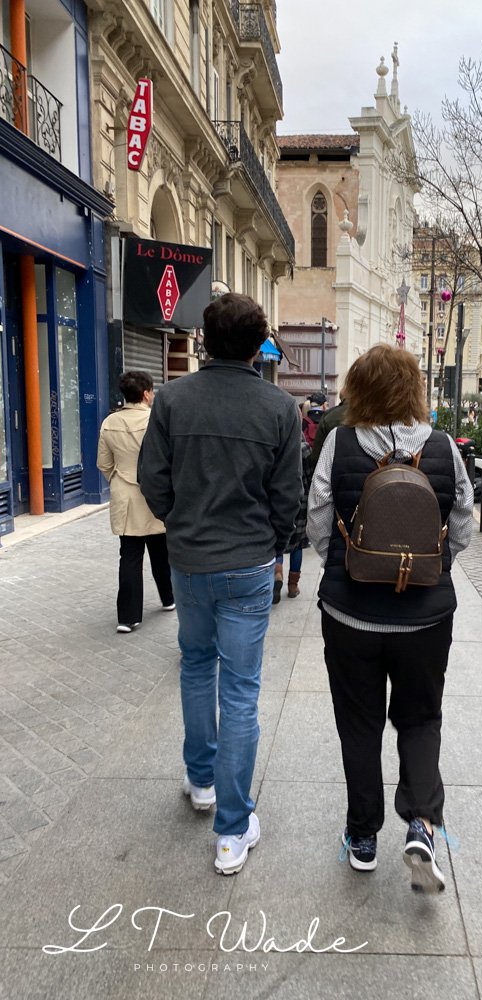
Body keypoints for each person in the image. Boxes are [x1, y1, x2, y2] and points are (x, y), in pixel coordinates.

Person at [139, 293, 302, 876]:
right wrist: (273, 544)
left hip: (191, 561)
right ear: (260, 346)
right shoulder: (279, 408)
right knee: (240, 690)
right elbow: (289, 497)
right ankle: (231, 830)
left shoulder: (174, 400)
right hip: (248, 563)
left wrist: (180, 524)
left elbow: (151, 480)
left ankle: (202, 780)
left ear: (205, 341)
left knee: (195, 665)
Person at [307, 344, 474, 893]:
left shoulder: (340, 441)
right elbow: (463, 529)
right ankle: (423, 824)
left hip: (350, 613)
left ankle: (362, 836)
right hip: (426, 618)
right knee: (421, 718)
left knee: (359, 724)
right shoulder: (445, 446)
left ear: (359, 388)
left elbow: (318, 520)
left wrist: (348, 557)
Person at [96, 371, 174, 634]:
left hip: (124, 496)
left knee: (129, 555)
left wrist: (119, 480)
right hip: (155, 496)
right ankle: (169, 597)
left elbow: (104, 464)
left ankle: (128, 617)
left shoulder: (109, 423)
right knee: (161, 552)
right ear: (145, 394)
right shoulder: (157, 420)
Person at [273, 433, 312, 603]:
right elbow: (311, 476)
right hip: (301, 499)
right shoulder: (305, 449)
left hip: (279, 498)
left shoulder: (276, 445)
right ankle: (293, 586)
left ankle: (277, 573)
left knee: (278, 539)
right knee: (298, 544)